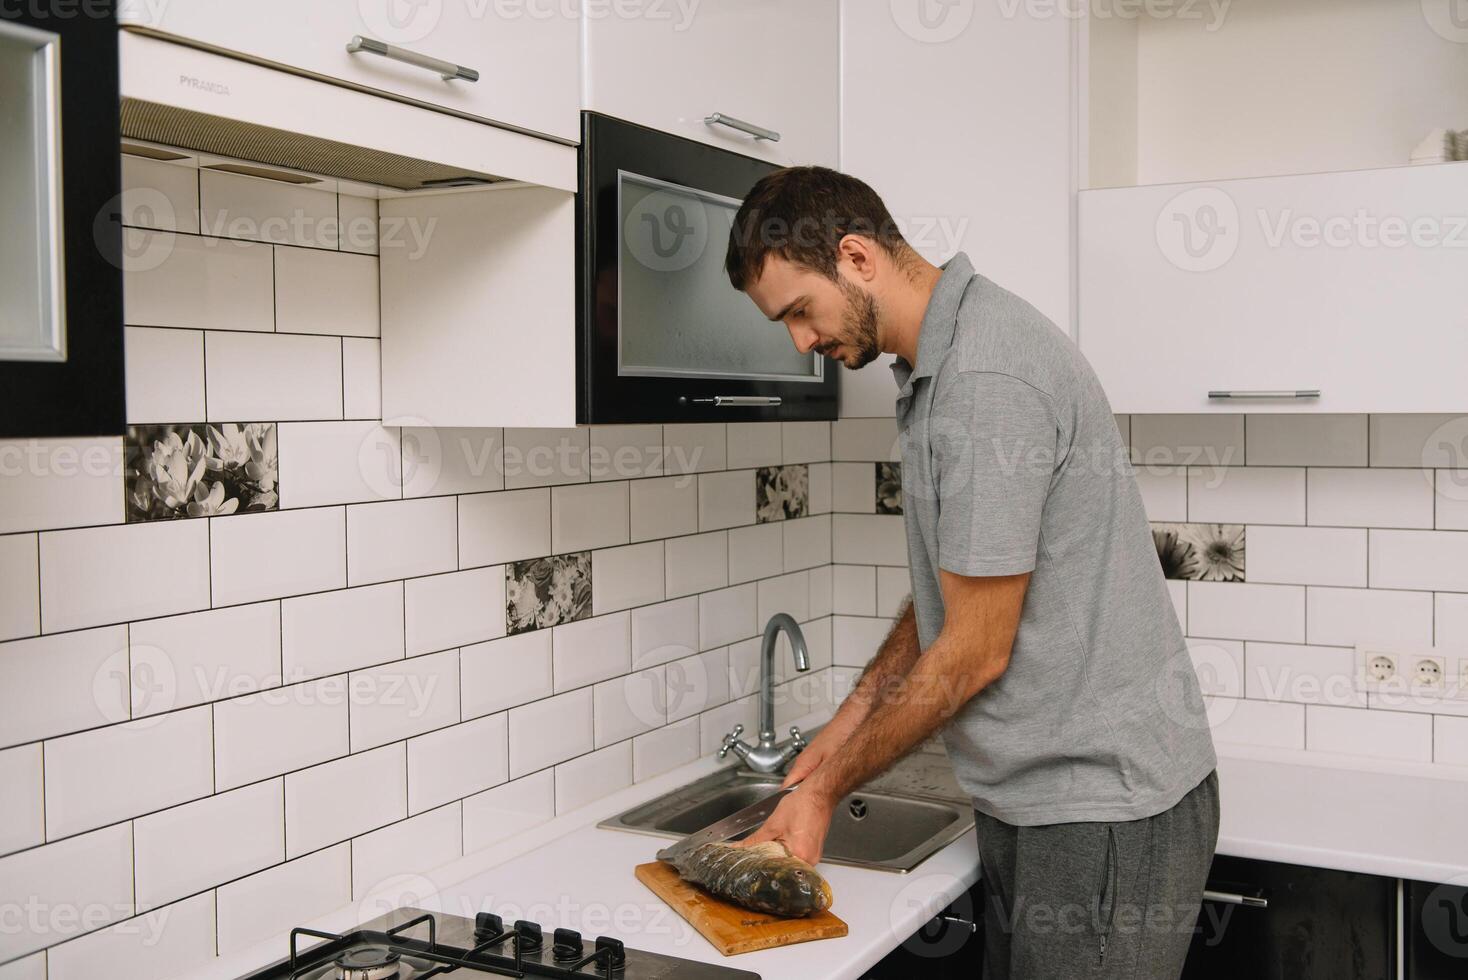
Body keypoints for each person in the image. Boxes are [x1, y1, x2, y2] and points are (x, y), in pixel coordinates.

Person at [723, 166, 1220, 979]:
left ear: (855, 257)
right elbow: (946, 604)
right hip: (1046, 804)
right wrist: (839, 736)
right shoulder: (939, 369)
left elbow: (974, 651)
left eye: (799, 313)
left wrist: (823, 791)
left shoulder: (986, 382)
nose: (801, 344)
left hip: (1100, 809)